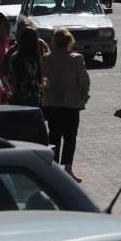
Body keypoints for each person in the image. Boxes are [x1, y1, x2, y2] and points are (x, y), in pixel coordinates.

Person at [42, 27, 90, 182]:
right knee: (70, 137)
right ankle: (68, 168)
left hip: (53, 104)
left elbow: (44, 81)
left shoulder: (48, 58)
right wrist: (82, 98)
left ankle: (53, 168)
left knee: (54, 136)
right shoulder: (77, 58)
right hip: (71, 104)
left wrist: (46, 94)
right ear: (69, 41)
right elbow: (84, 82)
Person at [1, 27, 44, 107]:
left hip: (19, 97)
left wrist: (10, 90)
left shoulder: (16, 57)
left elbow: (8, 76)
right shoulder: (36, 58)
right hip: (35, 98)